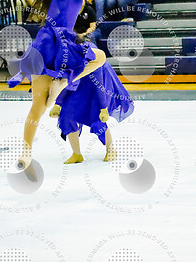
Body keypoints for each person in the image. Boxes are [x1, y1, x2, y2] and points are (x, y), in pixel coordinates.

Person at [7, 0, 106, 176]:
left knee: (39, 107)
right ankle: (63, 82)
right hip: (55, 43)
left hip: (47, 45)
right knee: (99, 58)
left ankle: (26, 153)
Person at [49, 12, 134, 164]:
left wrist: (103, 108)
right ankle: (77, 154)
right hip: (79, 84)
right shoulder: (63, 55)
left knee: (97, 120)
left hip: (98, 85)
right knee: (67, 116)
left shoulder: (90, 54)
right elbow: (66, 80)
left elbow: (99, 84)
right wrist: (58, 104)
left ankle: (111, 149)